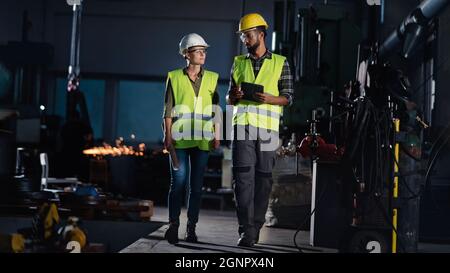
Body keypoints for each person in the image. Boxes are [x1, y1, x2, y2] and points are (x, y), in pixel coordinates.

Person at [227, 13, 294, 247]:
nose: (245, 39)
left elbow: (288, 97)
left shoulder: (280, 62)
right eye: (243, 36)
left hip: (267, 130)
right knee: (243, 179)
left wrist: (269, 98)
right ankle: (246, 230)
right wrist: (232, 96)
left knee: (264, 180)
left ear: (261, 35)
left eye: (248, 35)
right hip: (242, 127)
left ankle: (256, 226)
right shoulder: (238, 62)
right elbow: (229, 97)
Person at [163, 33, 220, 244]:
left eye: (204, 51)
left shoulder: (212, 78)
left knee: (196, 187)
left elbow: (216, 109)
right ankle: (173, 226)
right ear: (187, 54)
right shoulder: (175, 77)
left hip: (203, 139)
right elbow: (168, 110)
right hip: (178, 140)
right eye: (198, 51)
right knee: (177, 183)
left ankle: (191, 228)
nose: (203, 54)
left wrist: (217, 135)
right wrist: (167, 136)